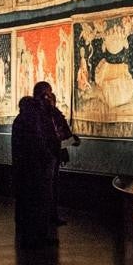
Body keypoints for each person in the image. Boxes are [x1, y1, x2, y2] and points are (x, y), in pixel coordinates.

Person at [11, 94, 56, 248]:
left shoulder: (19, 120)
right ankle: (37, 236)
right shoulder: (31, 122)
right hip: (34, 169)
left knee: (25, 203)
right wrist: (49, 156)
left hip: (23, 168)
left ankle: (27, 234)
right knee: (37, 203)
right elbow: (38, 144)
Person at [44, 90, 79, 226]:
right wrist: (69, 141)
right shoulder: (45, 117)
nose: (51, 102)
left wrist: (69, 140)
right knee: (48, 187)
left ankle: (52, 215)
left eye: (52, 99)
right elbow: (52, 140)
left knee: (53, 187)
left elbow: (62, 133)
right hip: (47, 156)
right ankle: (47, 217)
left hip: (54, 155)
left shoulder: (55, 115)